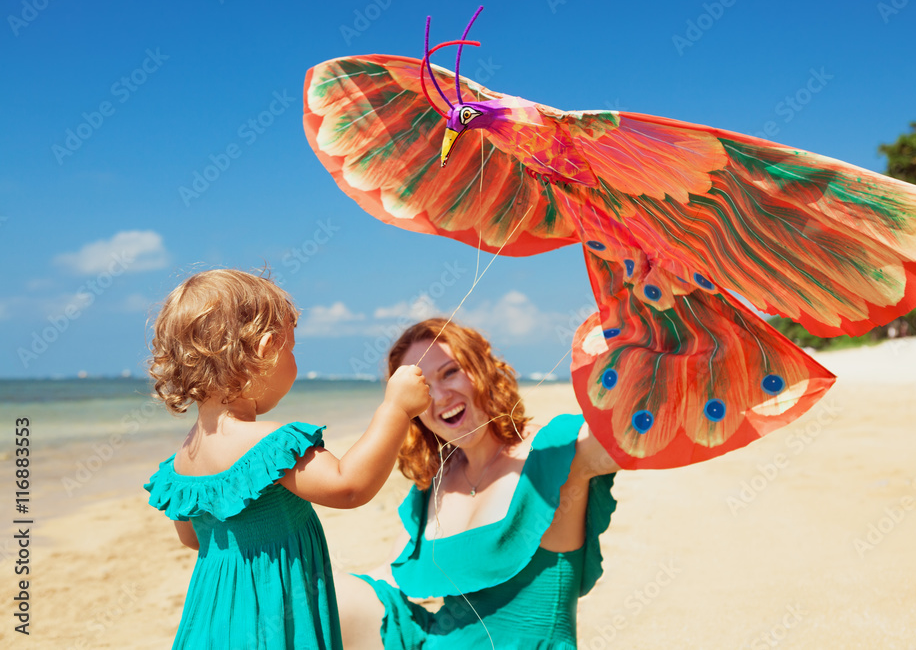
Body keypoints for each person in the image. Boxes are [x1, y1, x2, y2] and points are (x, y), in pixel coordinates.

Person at [143, 269, 431, 649]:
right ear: (265, 350)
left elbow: (194, 538)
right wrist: (396, 409)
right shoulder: (272, 445)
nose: (293, 359)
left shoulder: (183, 460)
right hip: (273, 623)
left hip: (210, 622)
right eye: (291, 348)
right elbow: (348, 487)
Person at [334, 318, 621, 649]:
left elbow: (635, 439)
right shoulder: (436, 478)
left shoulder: (553, 448)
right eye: (423, 388)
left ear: (482, 367)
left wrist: (629, 345)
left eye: (450, 372)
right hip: (435, 641)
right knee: (329, 596)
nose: (440, 396)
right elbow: (388, 576)